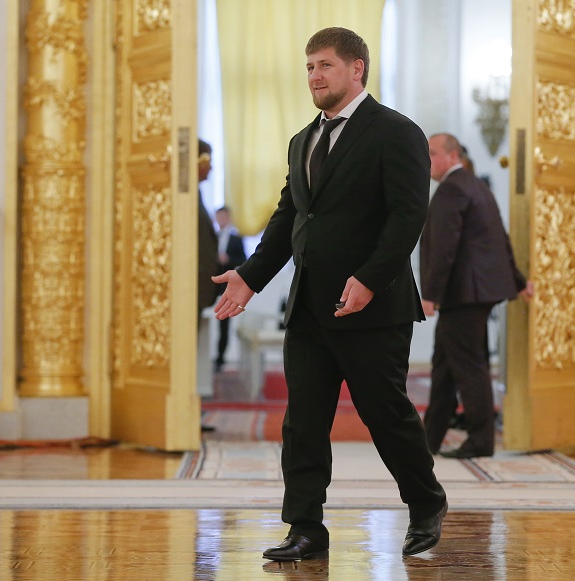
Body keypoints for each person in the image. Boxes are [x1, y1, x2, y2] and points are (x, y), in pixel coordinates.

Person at [212, 27, 448, 561]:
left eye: (324, 66)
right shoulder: (303, 140)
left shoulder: (396, 132)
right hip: (310, 306)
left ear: (356, 69)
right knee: (304, 422)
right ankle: (305, 529)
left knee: (384, 412)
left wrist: (368, 278)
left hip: (374, 303)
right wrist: (250, 276)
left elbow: (408, 215)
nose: (315, 77)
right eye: (309, 68)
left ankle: (426, 503)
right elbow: (290, 216)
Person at [420, 133, 534, 459]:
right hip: (473, 293)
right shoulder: (475, 186)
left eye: (433, 152)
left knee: (470, 367)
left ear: (453, 156)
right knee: (444, 366)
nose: (428, 159)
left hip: (463, 294)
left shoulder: (452, 190)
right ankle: (430, 438)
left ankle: (481, 441)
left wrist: (431, 294)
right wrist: (517, 280)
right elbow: (499, 236)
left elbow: (443, 250)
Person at [197, 139, 221, 432]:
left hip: (200, 293)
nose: (211, 167)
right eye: (208, 160)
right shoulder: (184, 196)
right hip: (189, 293)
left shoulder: (196, 195)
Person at [213, 206, 247, 372]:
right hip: (211, 286)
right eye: (219, 216)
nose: (222, 220)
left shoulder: (236, 239)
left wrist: (228, 259)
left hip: (227, 287)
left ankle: (220, 358)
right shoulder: (211, 237)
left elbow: (244, 259)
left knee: (224, 323)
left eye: (224, 216)